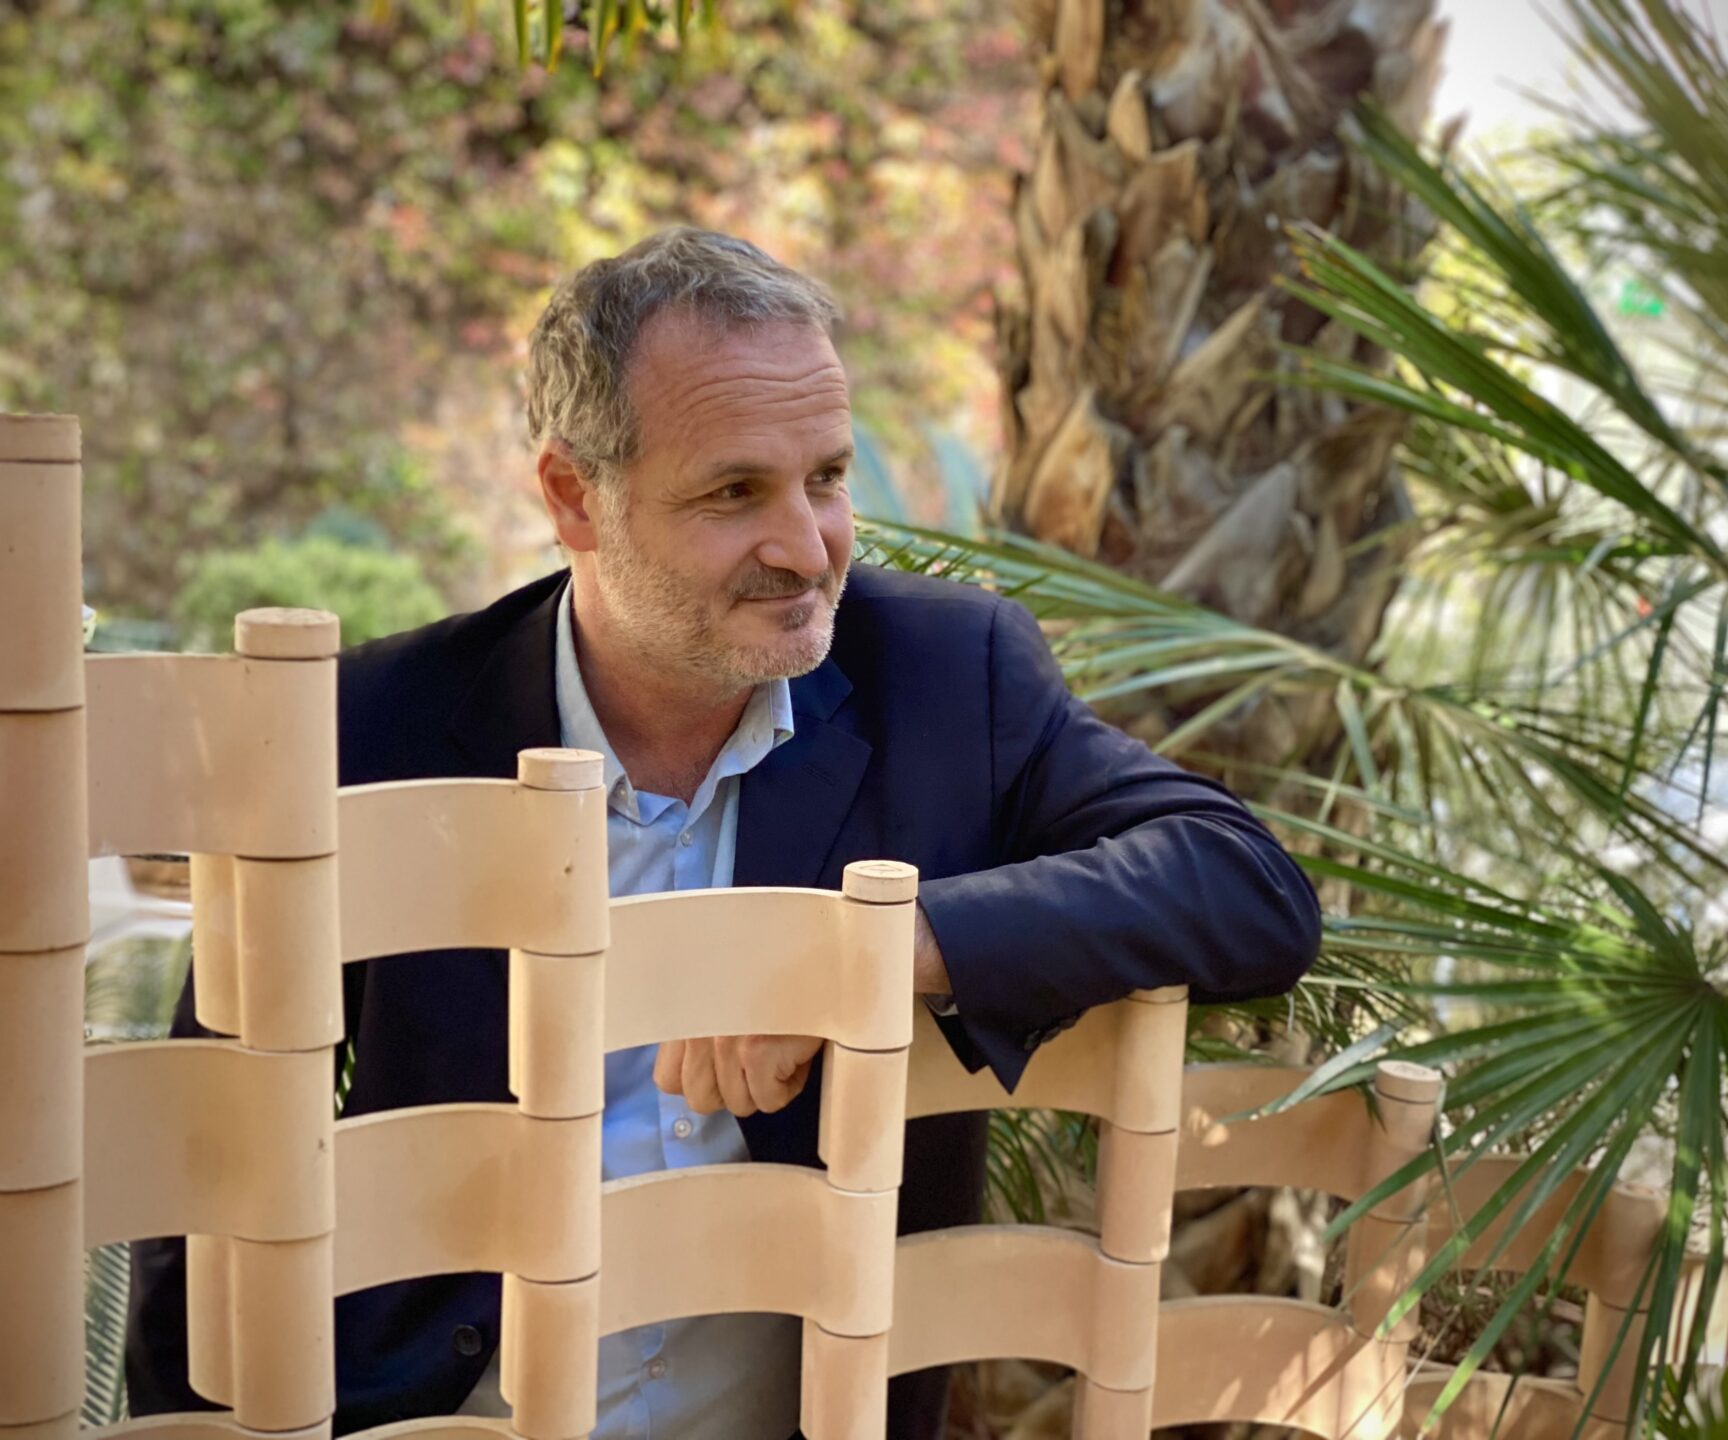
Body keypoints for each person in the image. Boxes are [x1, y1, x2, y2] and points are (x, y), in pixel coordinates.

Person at [127, 227, 1322, 1438]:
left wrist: (875, 952)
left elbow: (1249, 886)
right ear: (573, 497)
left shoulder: (949, 673)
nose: (807, 549)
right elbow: (208, 1159)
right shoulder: (371, 723)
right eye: (734, 492)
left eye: (827, 479)